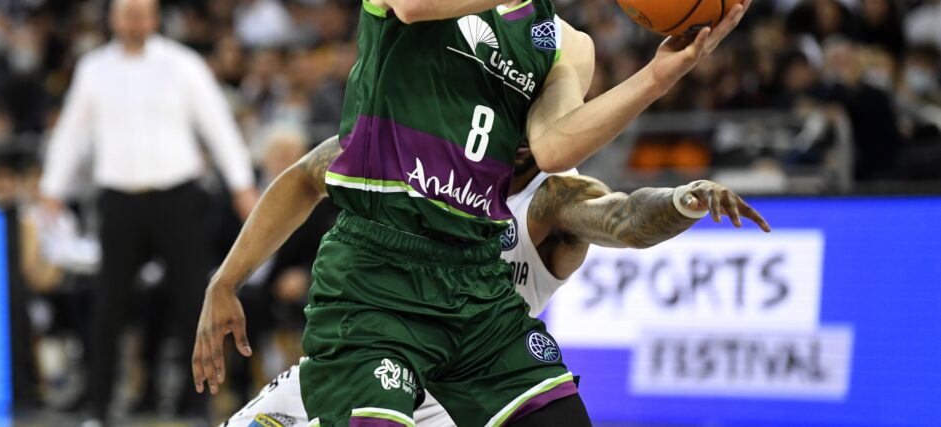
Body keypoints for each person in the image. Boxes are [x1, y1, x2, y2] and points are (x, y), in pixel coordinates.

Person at [194, 0, 750, 426]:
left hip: (476, 288)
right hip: (376, 276)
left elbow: (557, 147)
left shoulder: (565, 41)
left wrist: (657, 76)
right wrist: (227, 279)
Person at [213, 138, 770, 427]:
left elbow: (623, 217)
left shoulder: (553, 194)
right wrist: (226, 281)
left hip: (470, 382)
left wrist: (680, 199)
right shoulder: (424, 142)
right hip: (371, 351)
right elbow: (308, 174)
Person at [40, 0, 259, 426]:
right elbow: (71, 135)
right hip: (119, 202)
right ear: (114, 17)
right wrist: (52, 188)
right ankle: (99, 411)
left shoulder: (183, 65)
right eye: (128, 11)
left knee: (193, 306)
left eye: (144, 10)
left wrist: (241, 185)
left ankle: (198, 408)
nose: (136, 19)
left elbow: (217, 125)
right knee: (107, 310)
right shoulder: (93, 69)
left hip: (177, 199)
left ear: (155, 16)